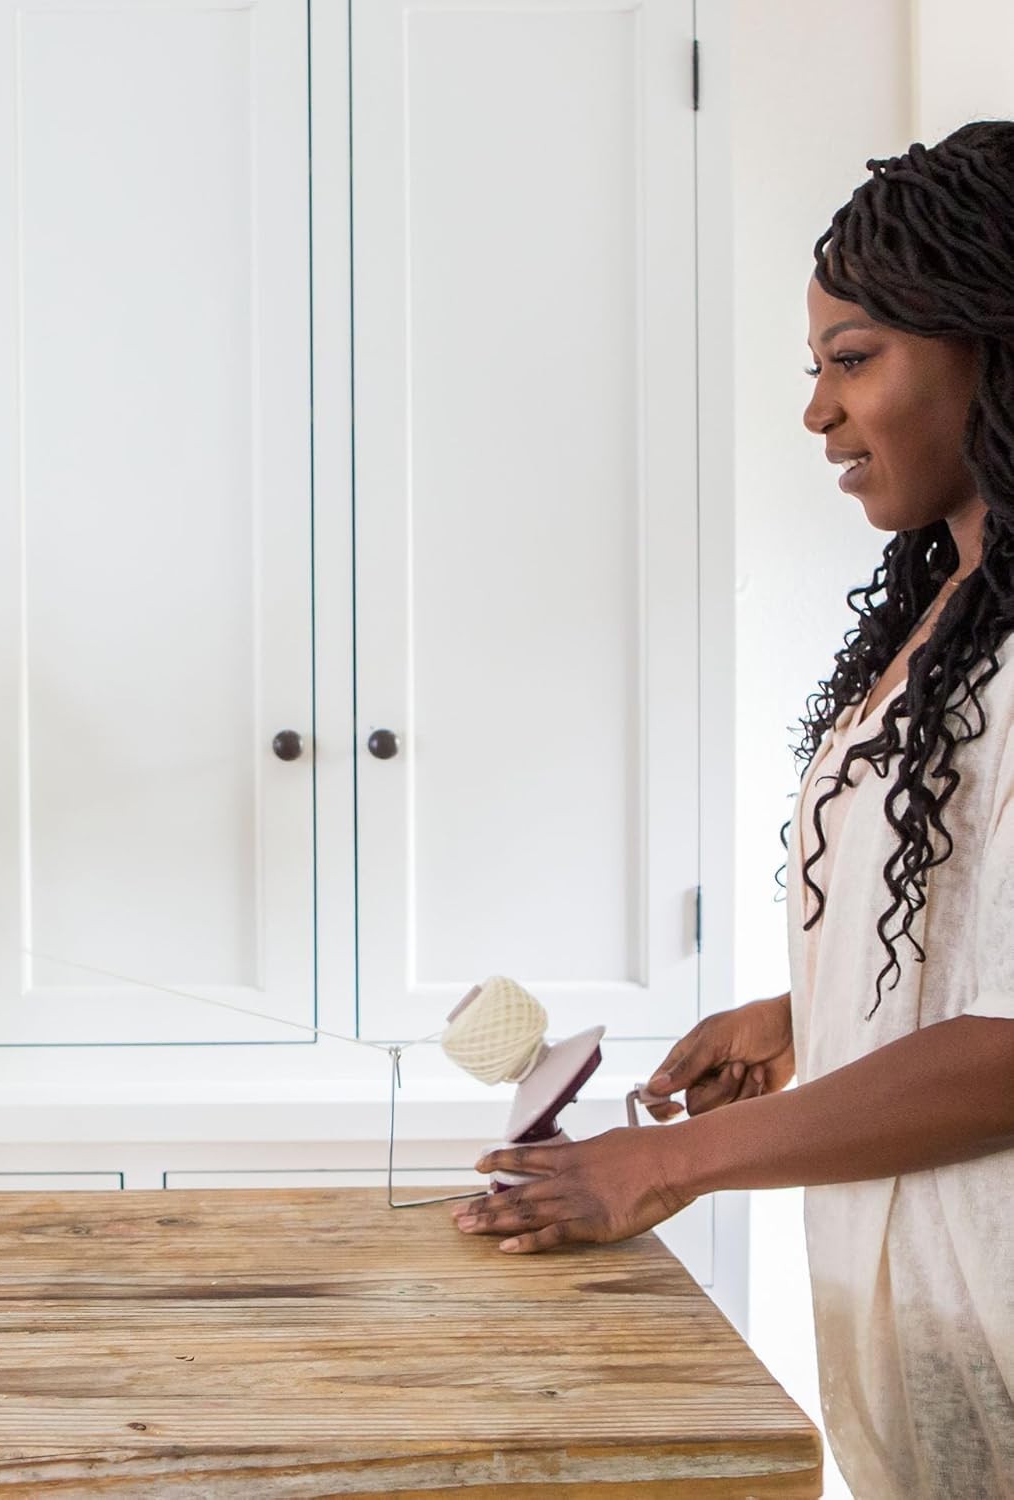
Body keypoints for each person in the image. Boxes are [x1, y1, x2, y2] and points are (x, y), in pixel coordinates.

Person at [453, 121, 1014, 1498]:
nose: (817, 414)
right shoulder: (950, 617)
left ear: (994, 350)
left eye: (853, 360)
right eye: (815, 368)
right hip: (928, 1313)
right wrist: (804, 1017)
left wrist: (670, 1164)